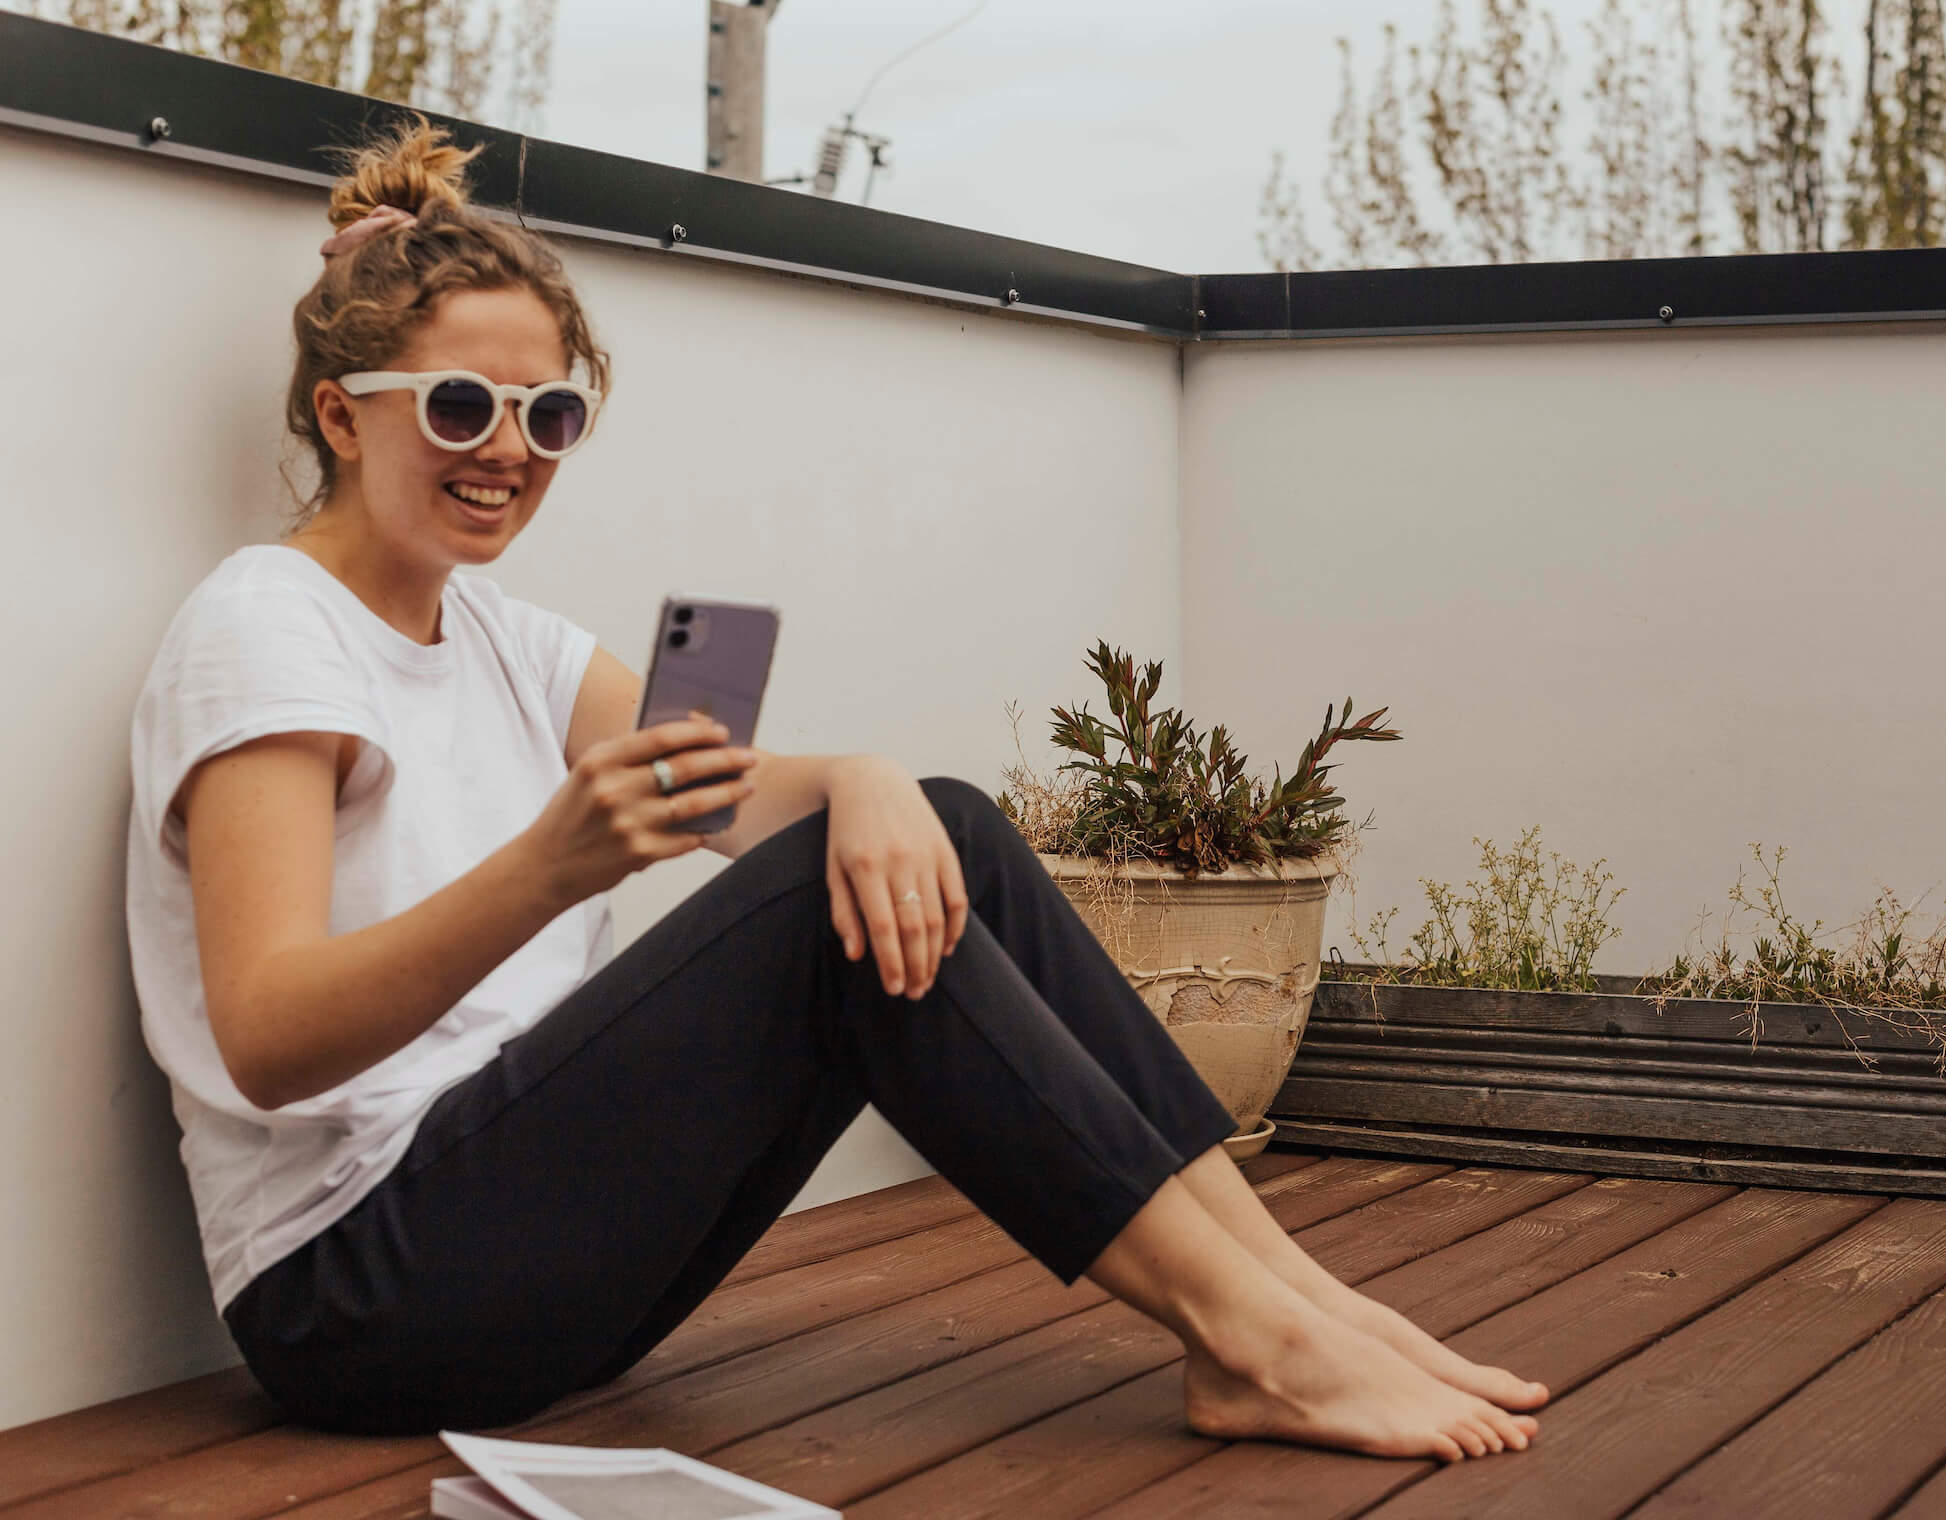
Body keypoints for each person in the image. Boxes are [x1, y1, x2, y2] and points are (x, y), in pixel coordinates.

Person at [124, 118, 1545, 1457]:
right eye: (457, 405)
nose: (507, 448)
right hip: (364, 1299)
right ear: (342, 414)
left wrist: (867, 778)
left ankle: (1291, 1293)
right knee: (833, 902)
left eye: (547, 413)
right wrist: (553, 868)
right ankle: (1255, 1343)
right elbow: (267, 1038)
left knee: (945, 829)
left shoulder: (507, 635)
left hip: (534, 1255)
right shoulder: (265, 628)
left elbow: (732, 796)